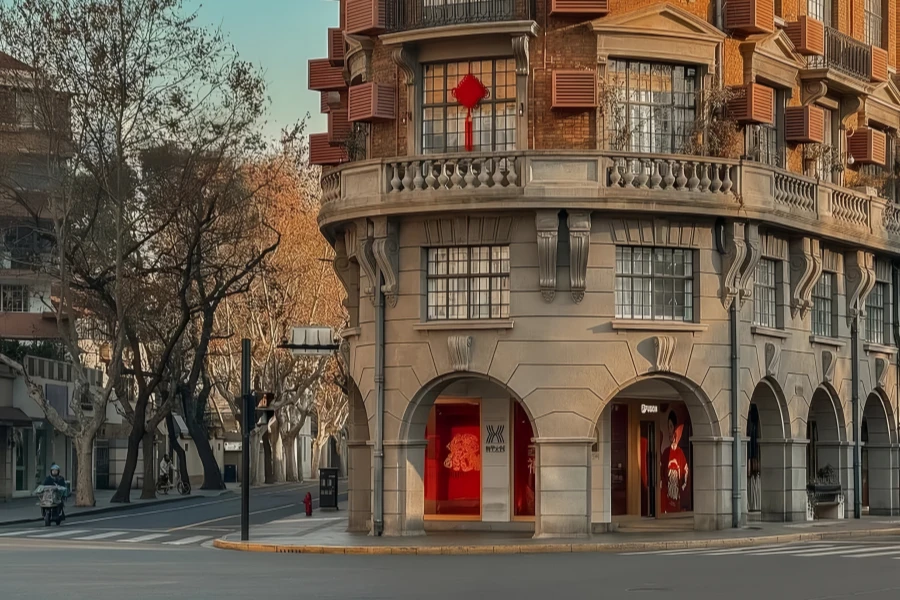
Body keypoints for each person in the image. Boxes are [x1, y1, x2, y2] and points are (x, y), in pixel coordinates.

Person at [660, 411, 689, 514]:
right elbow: (661, 472)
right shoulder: (666, 452)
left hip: (677, 494)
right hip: (667, 493)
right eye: (668, 427)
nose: (669, 431)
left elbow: (685, 471)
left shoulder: (680, 453)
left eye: (671, 427)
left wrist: (682, 486)